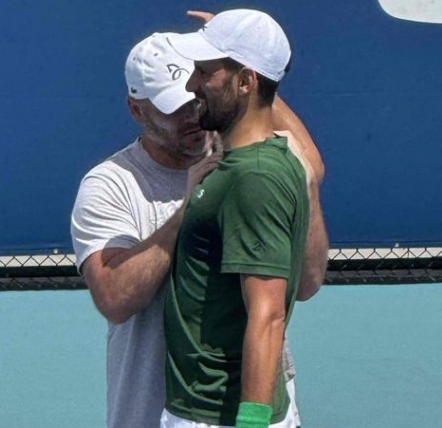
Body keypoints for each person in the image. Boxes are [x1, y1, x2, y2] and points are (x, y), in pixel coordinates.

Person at [71, 22, 326, 428]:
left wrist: (249, 59)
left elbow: (303, 284)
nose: (191, 114)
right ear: (137, 110)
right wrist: (188, 210)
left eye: (197, 94)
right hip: (152, 411)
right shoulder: (110, 184)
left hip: (249, 406)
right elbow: (115, 297)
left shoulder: (248, 167)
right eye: (173, 108)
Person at [162, 9, 317, 428]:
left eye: (205, 72)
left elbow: (267, 315)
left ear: (246, 82)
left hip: (220, 417)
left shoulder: (253, 178)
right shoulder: (274, 161)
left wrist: (252, 423)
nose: (191, 85)